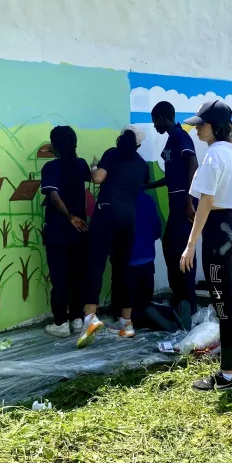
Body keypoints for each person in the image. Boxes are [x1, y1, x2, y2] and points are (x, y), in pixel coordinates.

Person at [180, 100, 232, 391]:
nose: (197, 129)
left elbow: (206, 202)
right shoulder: (231, 153)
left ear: (216, 126)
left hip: (218, 234)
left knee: (225, 307)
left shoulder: (213, 156)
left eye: (202, 124)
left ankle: (225, 377)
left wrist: (190, 243)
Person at [77, 127, 150, 348]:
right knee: (122, 268)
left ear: (120, 138)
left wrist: (93, 166)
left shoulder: (111, 154)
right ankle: (126, 323)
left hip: (107, 211)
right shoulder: (142, 164)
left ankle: (90, 317)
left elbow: (98, 178)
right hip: (128, 218)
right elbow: (141, 185)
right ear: (138, 145)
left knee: (95, 264)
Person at [41, 126, 91, 338]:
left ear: (55, 145)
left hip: (59, 231)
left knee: (60, 277)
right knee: (77, 275)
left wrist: (69, 216)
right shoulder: (80, 164)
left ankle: (60, 323)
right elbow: (91, 177)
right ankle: (77, 320)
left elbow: (53, 196)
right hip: (80, 231)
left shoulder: (50, 168)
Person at [148, 102, 199, 315]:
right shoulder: (171, 139)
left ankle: (188, 301)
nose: (154, 126)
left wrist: (188, 199)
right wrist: (147, 186)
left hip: (183, 203)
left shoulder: (181, 136)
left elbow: (193, 163)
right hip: (176, 203)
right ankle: (179, 296)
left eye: (154, 121)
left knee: (183, 250)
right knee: (170, 246)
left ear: (162, 117)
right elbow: (170, 176)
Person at [111, 189, 162, 328]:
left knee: (124, 303)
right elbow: (157, 230)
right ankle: (161, 314)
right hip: (148, 259)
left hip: (127, 262)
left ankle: (128, 318)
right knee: (144, 304)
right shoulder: (149, 200)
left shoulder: (116, 201)